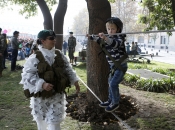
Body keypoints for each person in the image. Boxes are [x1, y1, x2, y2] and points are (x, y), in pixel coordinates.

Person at [20, 30, 80, 130]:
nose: (54, 41)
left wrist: (75, 81)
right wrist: (42, 84)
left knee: (55, 123)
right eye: (51, 38)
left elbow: (67, 68)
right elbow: (27, 76)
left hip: (57, 96)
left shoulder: (59, 54)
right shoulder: (34, 57)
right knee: (42, 124)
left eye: (54, 38)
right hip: (41, 99)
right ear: (43, 41)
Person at [89, 17, 128, 112]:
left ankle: (115, 102)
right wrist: (91, 37)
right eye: (108, 29)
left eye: (113, 29)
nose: (110, 31)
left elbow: (114, 44)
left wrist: (105, 38)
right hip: (113, 67)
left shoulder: (120, 38)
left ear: (118, 29)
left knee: (113, 84)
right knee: (110, 83)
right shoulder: (107, 38)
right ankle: (110, 100)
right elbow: (99, 40)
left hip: (121, 66)